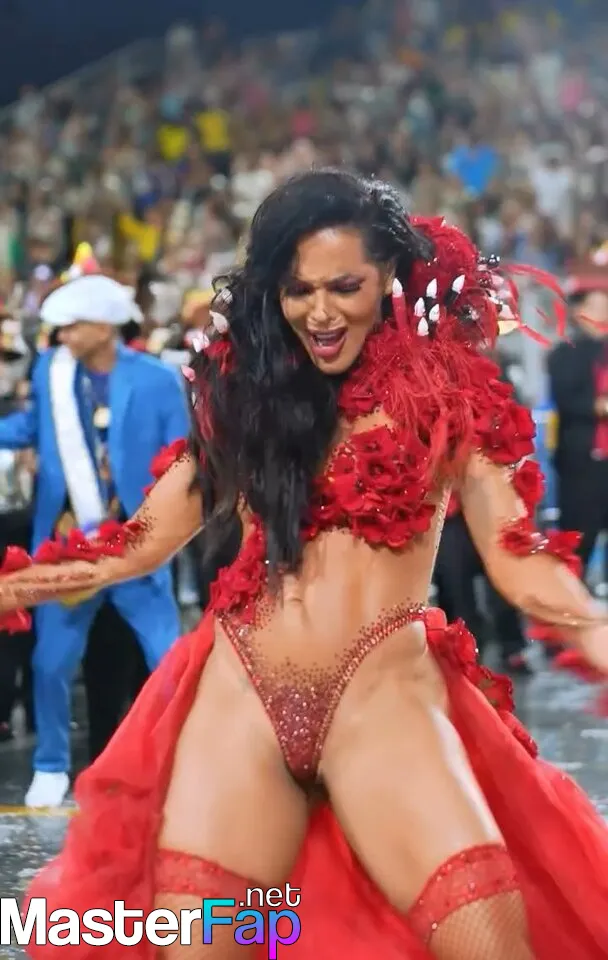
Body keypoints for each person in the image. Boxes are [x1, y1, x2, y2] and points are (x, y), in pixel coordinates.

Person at [1, 169, 608, 958]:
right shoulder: (246, 398)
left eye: (344, 287)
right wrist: (15, 584)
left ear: (388, 276)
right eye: (298, 291)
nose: (320, 313)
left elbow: (518, 557)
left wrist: (593, 628)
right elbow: (141, 541)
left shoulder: (450, 394)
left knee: (491, 947)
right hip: (242, 700)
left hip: (381, 702)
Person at [0, 260, 189, 808]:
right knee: (50, 663)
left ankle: (179, 763)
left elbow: (182, 456)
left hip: (139, 543)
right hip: (69, 544)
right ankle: (50, 765)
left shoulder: (157, 379)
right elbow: (32, 427)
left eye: (73, 326)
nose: (63, 337)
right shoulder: (51, 373)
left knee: (169, 661)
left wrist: (164, 524)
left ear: (104, 327)